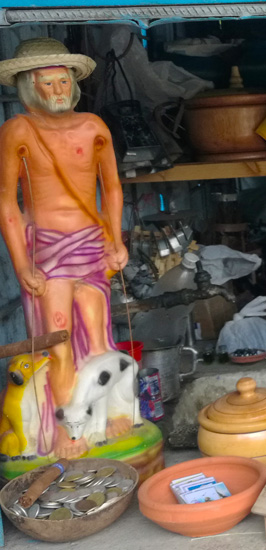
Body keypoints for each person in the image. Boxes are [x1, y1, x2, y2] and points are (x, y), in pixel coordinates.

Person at [0, 38, 128, 457]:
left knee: (97, 337)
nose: (56, 91)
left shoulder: (94, 126)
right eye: (47, 83)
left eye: (62, 82)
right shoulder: (18, 129)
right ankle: (66, 430)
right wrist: (22, 264)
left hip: (92, 247)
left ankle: (110, 413)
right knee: (58, 343)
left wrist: (117, 240)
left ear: (72, 83)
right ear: (28, 86)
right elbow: (7, 204)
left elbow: (111, 187)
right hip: (47, 254)